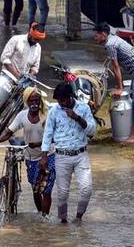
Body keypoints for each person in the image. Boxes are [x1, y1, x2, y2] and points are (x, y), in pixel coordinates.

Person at [0, 87, 56, 217]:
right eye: (31, 101)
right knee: (35, 189)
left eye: (36, 101)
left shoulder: (46, 115)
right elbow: (9, 131)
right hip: (30, 157)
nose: (34, 104)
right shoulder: (22, 116)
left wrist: (38, 145)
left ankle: (45, 217)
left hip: (48, 156)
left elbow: (53, 138)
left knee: (46, 190)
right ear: (26, 102)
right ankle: (40, 214)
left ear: (40, 101)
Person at [40, 81, 96, 223]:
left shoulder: (84, 108)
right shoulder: (54, 111)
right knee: (63, 193)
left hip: (80, 155)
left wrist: (77, 118)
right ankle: (63, 220)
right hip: (62, 156)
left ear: (71, 96)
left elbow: (92, 131)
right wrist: (44, 156)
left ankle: (78, 217)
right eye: (59, 100)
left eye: (63, 99)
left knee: (86, 189)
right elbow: (47, 134)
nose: (61, 103)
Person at [92, 22, 134, 143]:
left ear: (103, 34)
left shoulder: (110, 45)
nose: (94, 37)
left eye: (96, 35)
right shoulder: (112, 39)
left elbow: (116, 67)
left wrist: (119, 87)